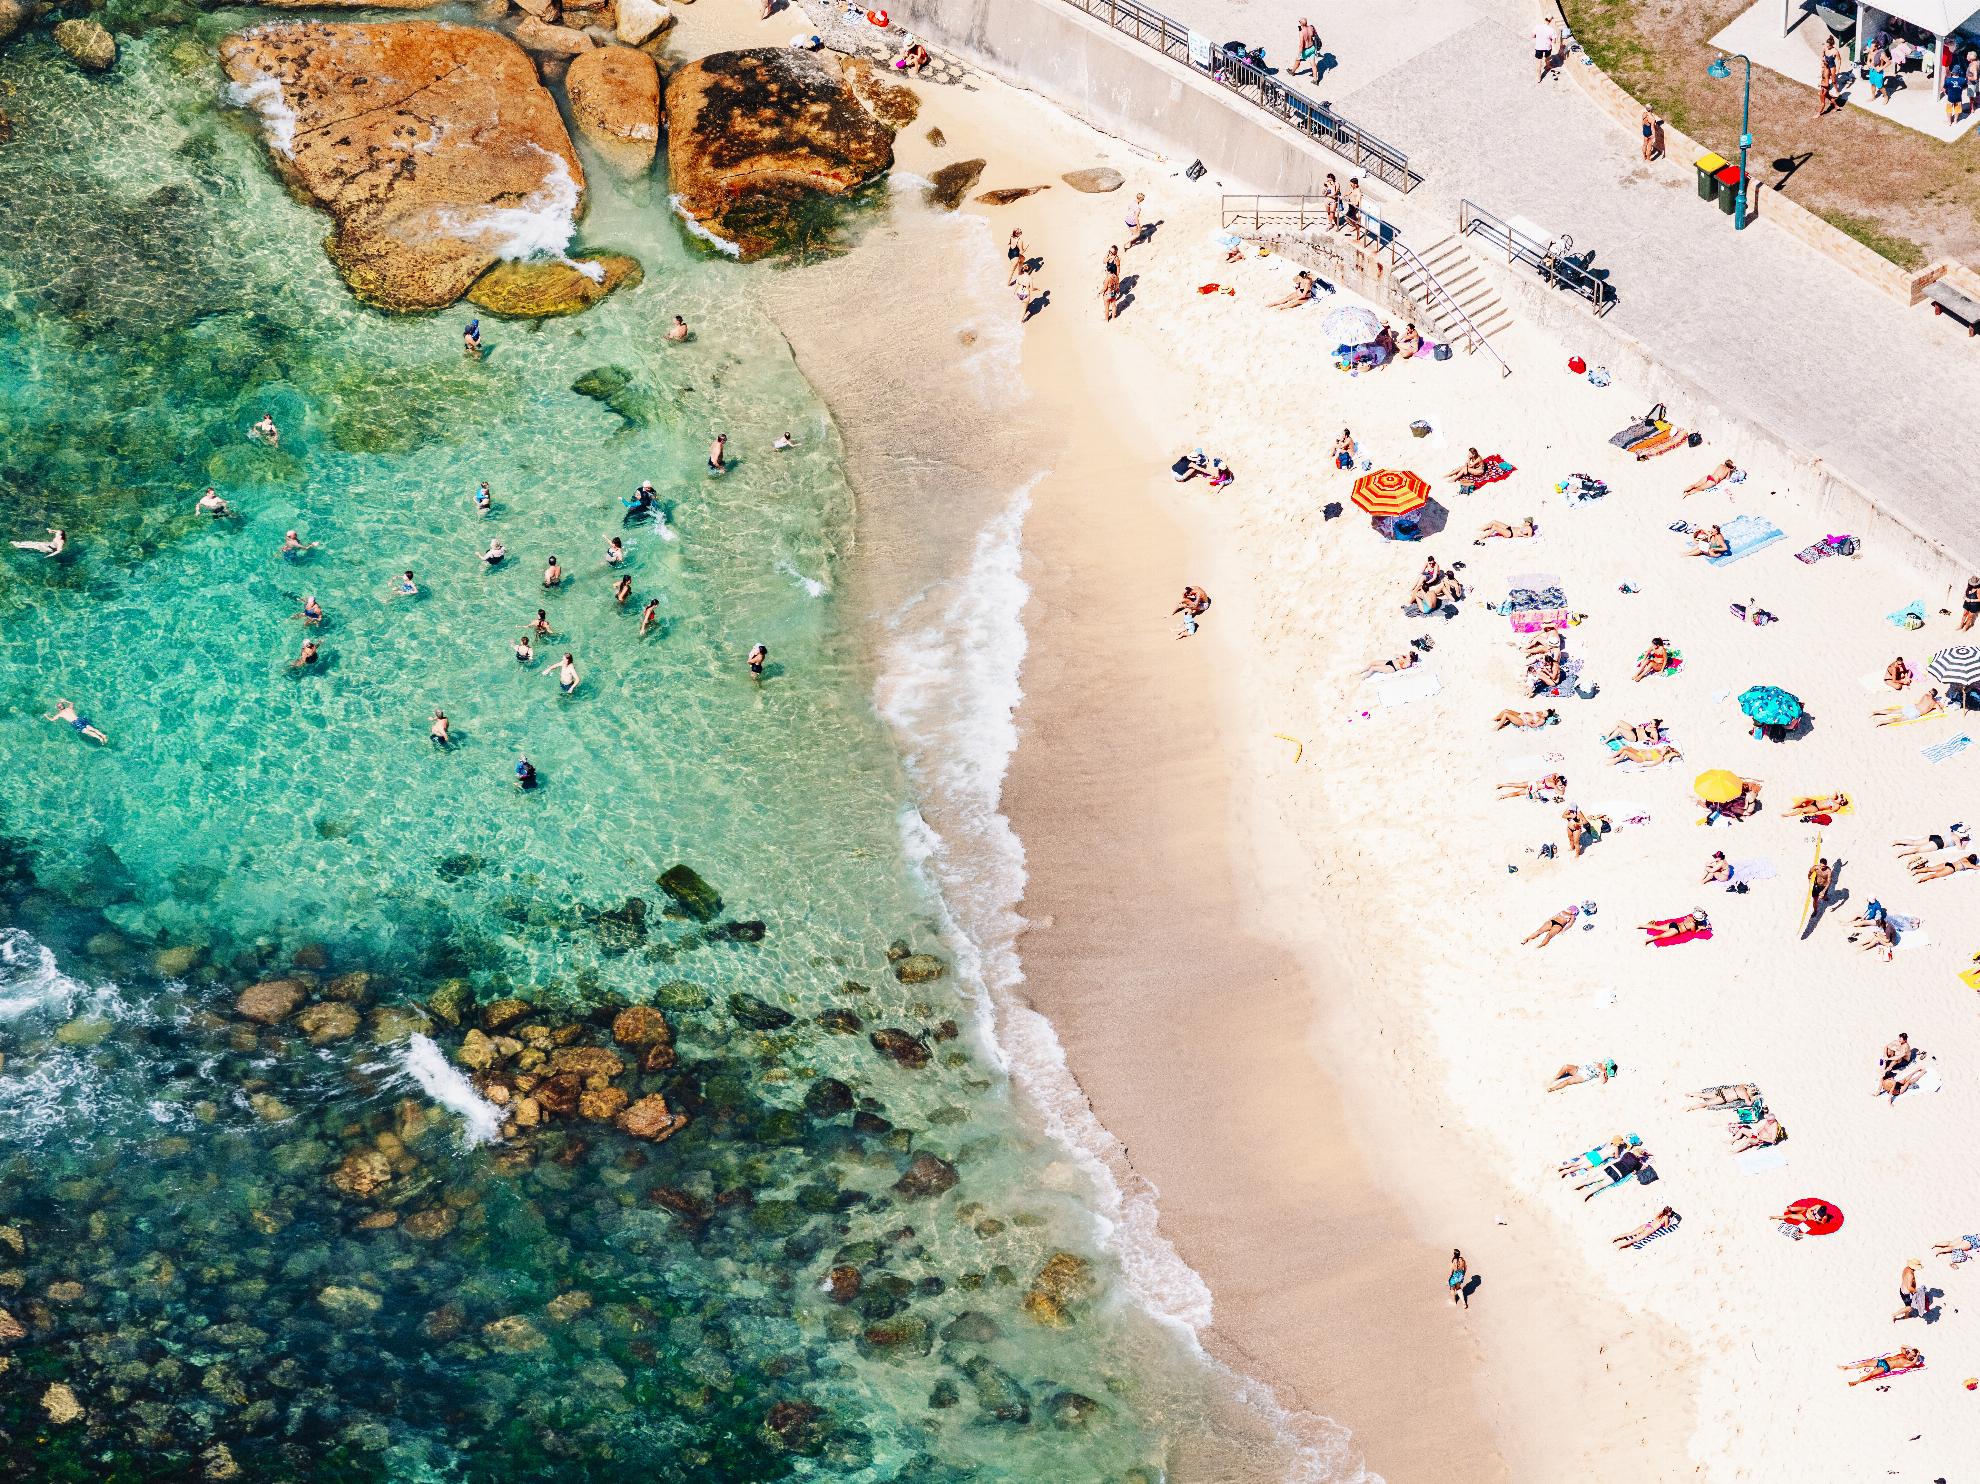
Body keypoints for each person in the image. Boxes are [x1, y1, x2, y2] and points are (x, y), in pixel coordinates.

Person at [1575, 1145, 1648, 1199]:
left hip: (1612, 1167)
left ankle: (1578, 1185)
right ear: (1640, 1156)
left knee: (1595, 1178)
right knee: (1602, 1185)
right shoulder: (1638, 1163)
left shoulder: (1627, 1154)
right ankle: (1586, 1195)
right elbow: (1637, 1170)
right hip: (1618, 1174)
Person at [1612, 1207, 1679, 1249]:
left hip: (1647, 1225)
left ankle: (1615, 1238)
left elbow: (1655, 1218)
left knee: (1630, 1233)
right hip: (1650, 1229)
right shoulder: (1666, 1217)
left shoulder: (1660, 1213)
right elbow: (1666, 1227)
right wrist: (1671, 1221)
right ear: (1668, 1213)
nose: (1671, 1213)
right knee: (1634, 1240)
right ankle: (1619, 1246)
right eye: (1670, 1212)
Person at [1873, 688, 1945, 725]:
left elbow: (1920, 702)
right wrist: (1939, 705)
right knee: (1897, 719)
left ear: (1930, 693)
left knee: (1892, 711)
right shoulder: (1934, 704)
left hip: (1913, 707)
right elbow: (1941, 712)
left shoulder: (1925, 695)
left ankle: (1876, 712)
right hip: (1916, 712)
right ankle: (1881, 722)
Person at [1640, 911, 1708, 945]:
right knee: (1660, 936)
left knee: (1657, 927)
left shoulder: (1689, 917)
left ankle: (1640, 926)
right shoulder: (1692, 924)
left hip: (1673, 924)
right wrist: (1700, 928)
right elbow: (1693, 932)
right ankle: (1647, 941)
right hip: (1676, 930)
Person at [1546, 1060, 1616, 1092]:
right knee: (1566, 1066)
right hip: (1579, 1069)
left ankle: (1552, 1089)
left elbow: (1603, 1081)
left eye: (1605, 1063)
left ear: (1606, 1067)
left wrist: (1603, 1071)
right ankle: (1555, 1078)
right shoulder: (1598, 1063)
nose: (1603, 1061)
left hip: (1582, 1076)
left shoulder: (1602, 1072)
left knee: (1566, 1082)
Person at [1495, 772, 1567, 802]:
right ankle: (1502, 796)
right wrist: (1563, 788)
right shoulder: (1553, 784)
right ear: (1558, 781)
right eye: (1560, 783)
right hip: (1534, 787)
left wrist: (1556, 778)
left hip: (1533, 782)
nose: (1559, 784)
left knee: (1516, 784)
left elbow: (1556, 773)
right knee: (1517, 793)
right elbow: (1561, 793)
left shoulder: (1552, 778)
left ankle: (1500, 785)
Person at [1910, 851, 1980, 881]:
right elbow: (1977, 868)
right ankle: (1920, 879)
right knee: (1934, 875)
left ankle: (1916, 871)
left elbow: (1969, 856)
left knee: (1930, 869)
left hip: (1948, 863)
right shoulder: (1969, 865)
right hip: (1951, 868)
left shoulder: (1964, 858)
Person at [1608, 740, 1683, 766]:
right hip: (1639, 752)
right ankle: (1613, 756)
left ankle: (1615, 761)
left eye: (1665, 747)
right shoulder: (1657, 749)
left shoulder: (1661, 757)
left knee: (1625, 752)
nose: (1663, 747)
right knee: (1625, 747)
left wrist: (1645, 765)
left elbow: (1653, 764)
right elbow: (1646, 750)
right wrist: (1636, 749)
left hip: (1640, 758)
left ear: (1666, 752)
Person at [1533, 11, 1557, 82]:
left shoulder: (1537, 27)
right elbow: (1554, 41)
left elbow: (1532, 35)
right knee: (1547, 57)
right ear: (1551, 20)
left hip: (1539, 47)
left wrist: (1538, 36)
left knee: (1539, 62)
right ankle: (1548, 66)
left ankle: (1538, 77)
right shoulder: (1552, 30)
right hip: (1547, 47)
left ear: (1544, 19)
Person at [1493, 708, 1559, 730]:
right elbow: (1533, 713)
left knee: (1506, 715)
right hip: (1521, 715)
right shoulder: (1541, 712)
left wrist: (1527, 722)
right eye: (1545, 712)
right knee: (1506, 710)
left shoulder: (1542, 720)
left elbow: (1534, 726)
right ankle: (1496, 718)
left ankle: (1497, 728)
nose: (1544, 714)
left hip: (1522, 721)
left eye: (1545, 714)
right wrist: (1528, 713)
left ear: (1547, 716)